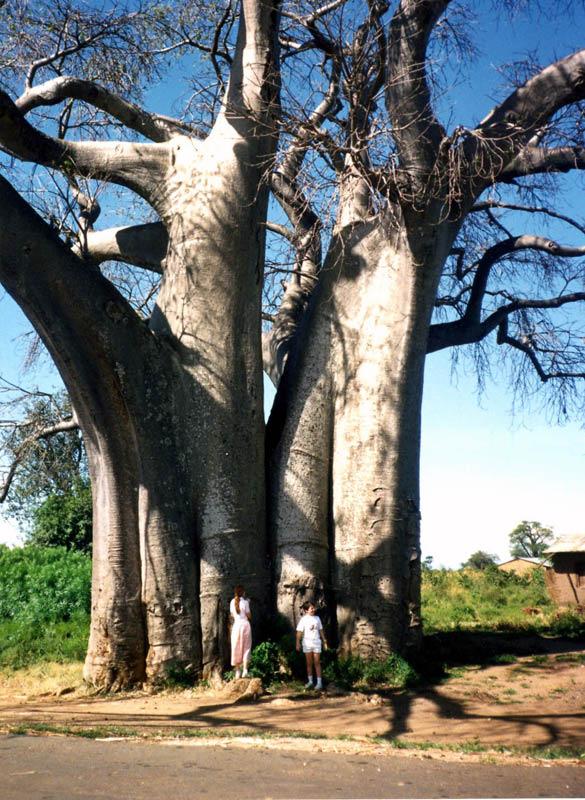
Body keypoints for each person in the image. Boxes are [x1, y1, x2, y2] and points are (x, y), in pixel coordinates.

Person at [296, 601, 327, 690]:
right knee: (309, 663)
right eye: (311, 608)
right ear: (306, 610)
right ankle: (310, 682)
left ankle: (319, 683)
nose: (313, 610)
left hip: (316, 642)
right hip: (307, 643)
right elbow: (299, 632)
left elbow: (321, 630)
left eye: (313, 608)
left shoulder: (317, 618)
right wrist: (297, 643)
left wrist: (324, 640)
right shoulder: (303, 619)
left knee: (317, 662)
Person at [230, 585, 252, 679]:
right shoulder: (245, 602)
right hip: (245, 625)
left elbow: (232, 615)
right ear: (243, 592)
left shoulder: (232, 602)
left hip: (236, 625)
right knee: (246, 647)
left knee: (236, 647)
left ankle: (237, 671)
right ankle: (245, 670)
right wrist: (248, 604)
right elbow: (249, 615)